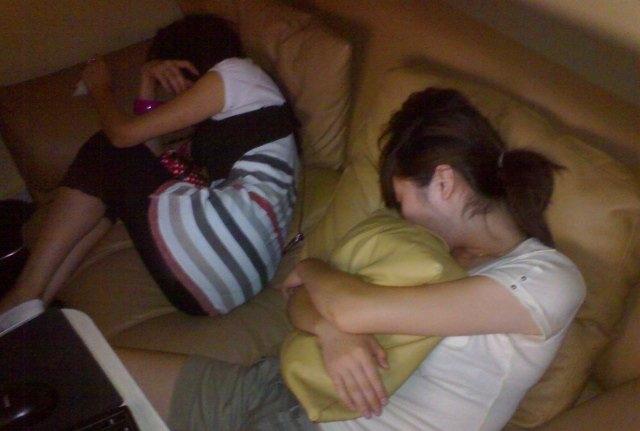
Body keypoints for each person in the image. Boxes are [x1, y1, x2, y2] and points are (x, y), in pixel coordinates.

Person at [115, 87, 586, 431]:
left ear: (444, 183)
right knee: (92, 373)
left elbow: (350, 305)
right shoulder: (427, 248)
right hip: (278, 387)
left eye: (404, 200)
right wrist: (329, 329)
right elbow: (298, 298)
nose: (403, 215)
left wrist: (319, 284)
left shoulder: (547, 280)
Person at [0, 14, 299, 316]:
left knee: (106, 147)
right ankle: (33, 303)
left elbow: (122, 137)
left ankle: (23, 293)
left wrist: (99, 88)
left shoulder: (236, 73)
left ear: (188, 59)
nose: (173, 89)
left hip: (220, 257)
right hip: (233, 279)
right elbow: (148, 153)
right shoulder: (238, 102)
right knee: (112, 183)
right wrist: (147, 85)